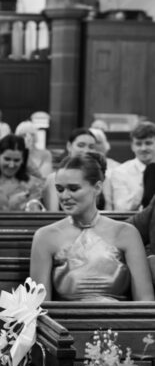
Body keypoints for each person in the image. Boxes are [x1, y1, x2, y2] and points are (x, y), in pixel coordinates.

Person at [30, 153, 154, 302]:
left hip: (119, 323)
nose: (64, 196)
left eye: (73, 188)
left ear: (97, 187)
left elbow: (145, 302)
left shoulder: (127, 233)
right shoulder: (45, 237)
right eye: (60, 189)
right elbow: (39, 308)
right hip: (64, 324)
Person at [0, 134, 45, 211]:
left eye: (16, 160)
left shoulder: (34, 185)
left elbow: (36, 216)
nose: (11, 165)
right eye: (7, 159)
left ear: (23, 160)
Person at [41, 127, 98, 210]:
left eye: (91, 147)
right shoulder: (54, 178)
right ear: (69, 146)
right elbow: (53, 214)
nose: (86, 150)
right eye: (81, 145)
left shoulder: (103, 178)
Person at [110, 120, 155, 211]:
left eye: (148, 143)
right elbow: (121, 209)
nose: (143, 148)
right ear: (132, 146)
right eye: (138, 144)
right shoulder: (120, 172)